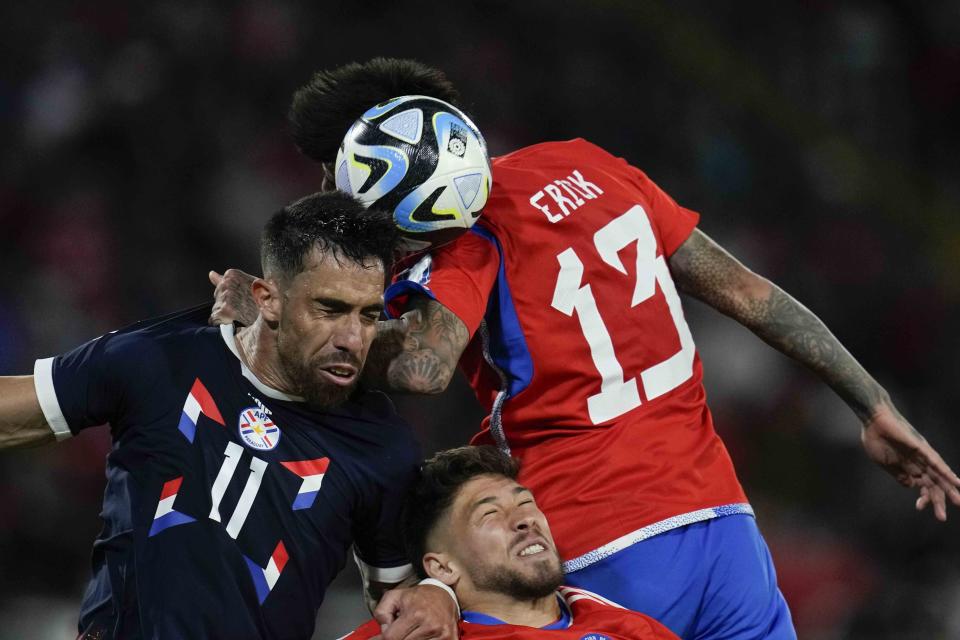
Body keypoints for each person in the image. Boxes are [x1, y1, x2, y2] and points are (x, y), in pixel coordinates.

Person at [213, 58, 960, 639]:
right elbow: (750, 293)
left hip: (591, 544)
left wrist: (293, 319)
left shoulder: (464, 240)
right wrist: (873, 403)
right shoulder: (588, 163)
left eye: (331, 171)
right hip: (723, 527)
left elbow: (421, 367)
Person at [0, 191, 458, 639]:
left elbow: (401, 603)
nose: (354, 340)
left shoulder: (381, 446)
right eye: (330, 309)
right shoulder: (160, 360)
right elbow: (18, 413)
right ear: (267, 298)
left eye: (368, 315)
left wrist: (439, 592)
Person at [343, 445, 679, 640]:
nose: (525, 520)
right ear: (442, 567)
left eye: (527, 503)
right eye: (490, 515)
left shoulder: (630, 628)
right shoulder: (410, 633)